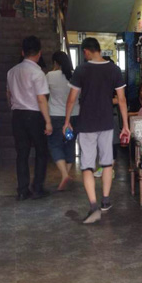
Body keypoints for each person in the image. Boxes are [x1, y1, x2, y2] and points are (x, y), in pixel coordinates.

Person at [63, 38, 130, 224]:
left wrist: (67, 121)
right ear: (99, 50)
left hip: (86, 124)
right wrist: (125, 125)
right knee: (107, 163)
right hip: (107, 122)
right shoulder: (114, 69)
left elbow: (71, 99)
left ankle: (93, 206)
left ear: (86, 51)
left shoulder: (81, 70)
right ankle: (105, 201)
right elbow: (122, 100)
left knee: (87, 166)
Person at [7, 36, 52, 201]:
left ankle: (22, 190)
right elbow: (41, 99)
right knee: (41, 151)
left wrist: (13, 109)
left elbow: (8, 95)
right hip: (34, 115)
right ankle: (37, 188)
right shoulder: (38, 73)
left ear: (22, 52)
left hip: (17, 115)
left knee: (22, 153)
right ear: (39, 53)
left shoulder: (11, 72)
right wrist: (48, 122)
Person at [47, 51, 79, 191]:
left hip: (56, 115)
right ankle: (66, 175)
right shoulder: (75, 75)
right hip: (75, 115)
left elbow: (43, 93)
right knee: (70, 143)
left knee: (55, 144)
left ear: (55, 62)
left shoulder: (50, 75)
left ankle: (64, 175)